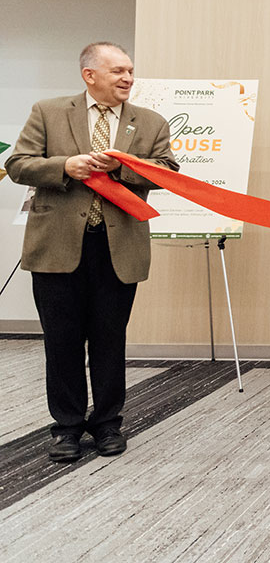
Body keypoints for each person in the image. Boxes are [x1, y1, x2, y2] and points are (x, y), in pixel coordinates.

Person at [6, 42, 178, 462]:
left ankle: (106, 424)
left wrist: (120, 167)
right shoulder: (48, 111)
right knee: (61, 343)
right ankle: (66, 428)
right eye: (118, 70)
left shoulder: (150, 122)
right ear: (89, 75)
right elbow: (17, 164)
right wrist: (63, 166)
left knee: (108, 341)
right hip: (56, 247)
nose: (128, 78)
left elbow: (168, 171)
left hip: (117, 248)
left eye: (130, 71)